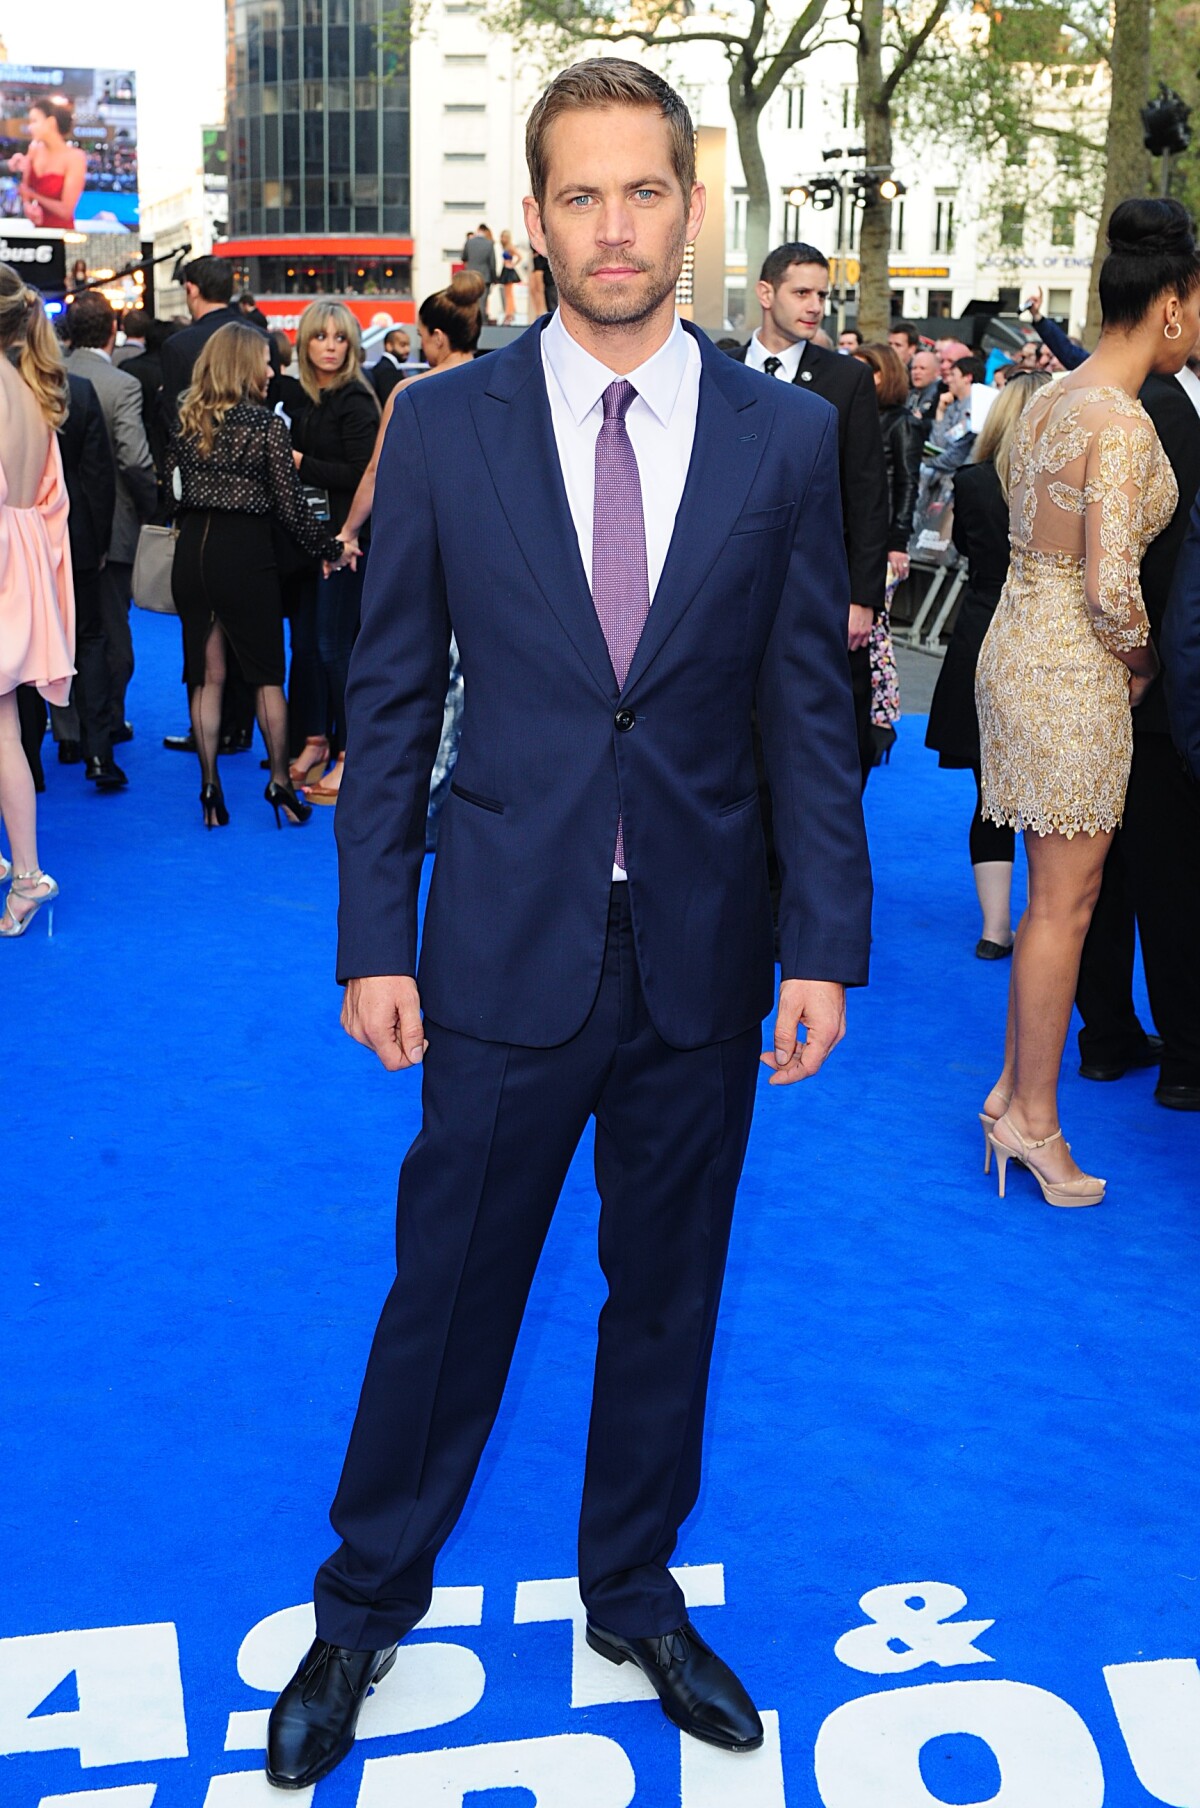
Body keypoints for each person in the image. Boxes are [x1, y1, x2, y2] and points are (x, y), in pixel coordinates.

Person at [264, 55, 871, 1792]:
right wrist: (373, 932)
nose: (615, 227)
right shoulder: (443, 424)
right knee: (446, 1293)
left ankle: (631, 1584)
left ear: (694, 207)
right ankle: (364, 1599)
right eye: (581, 195)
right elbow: (391, 700)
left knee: (666, 1290)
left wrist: (824, 937)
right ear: (536, 220)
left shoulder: (790, 436)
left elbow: (802, 719)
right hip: (498, 944)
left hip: (701, 942)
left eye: (646, 191)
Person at [975, 196, 1198, 1206]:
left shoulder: (1054, 397)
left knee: (1045, 899)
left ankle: (1012, 1092)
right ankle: (1034, 1120)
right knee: (1068, 905)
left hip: (1012, 650)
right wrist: (1147, 663)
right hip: (1072, 670)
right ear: (1170, 309)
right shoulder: (1122, 422)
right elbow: (1112, 589)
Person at [1074, 283, 1200, 1109]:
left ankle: (1106, 1037)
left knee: (1091, 874)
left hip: (1095, 671)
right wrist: (1149, 661)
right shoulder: (1158, 413)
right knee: (1165, 874)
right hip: (1149, 673)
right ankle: (1186, 1056)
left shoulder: (1085, 396)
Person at [166, 322, 342, 829]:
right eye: (264, 362)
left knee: (206, 675)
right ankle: (280, 785)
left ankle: (209, 788)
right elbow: (290, 508)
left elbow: (170, 492)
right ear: (245, 366)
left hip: (192, 557)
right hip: (245, 555)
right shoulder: (265, 426)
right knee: (266, 675)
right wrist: (330, 548)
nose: (271, 371)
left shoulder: (186, 419)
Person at [724, 243, 889, 784]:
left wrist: (863, 598)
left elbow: (866, 491)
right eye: (802, 292)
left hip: (817, 588)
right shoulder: (717, 369)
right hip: (728, 585)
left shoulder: (847, 380)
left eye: (822, 294)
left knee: (817, 744)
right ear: (766, 294)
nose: (816, 305)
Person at [338, 272, 487, 844]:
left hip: (431, 554)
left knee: (423, 682)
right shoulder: (506, 385)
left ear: (439, 337)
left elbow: (377, 473)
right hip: (492, 556)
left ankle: (423, 811)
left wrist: (348, 531)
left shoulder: (414, 394)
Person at [925, 371, 1051, 955]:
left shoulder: (973, 480)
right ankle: (1052, 922)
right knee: (1058, 795)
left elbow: (963, 550)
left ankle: (994, 929)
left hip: (980, 638)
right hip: (1048, 640)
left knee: (989, 792)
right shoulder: (1063, 483)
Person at [160, 258, 270, 758]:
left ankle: (209, 772)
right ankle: (245, 734)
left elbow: (170, 441)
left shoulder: (179, 346)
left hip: (198, 527)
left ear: (190, 289)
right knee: (259, 653)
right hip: (253, 531)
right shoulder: (258, 333)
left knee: (202, 658)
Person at [274, 302, 380, 801]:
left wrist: (298, 462)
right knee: (311, 648)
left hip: (346, 541)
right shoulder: (307, 397)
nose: (331, 347)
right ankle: (316, 739)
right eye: (322, 337)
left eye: (340, 338)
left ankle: (349, 753)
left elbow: (365, 475)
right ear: (306, 343)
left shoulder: (355, 399)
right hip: (312, 540)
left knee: (336, 648)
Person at [0, 263, 73, 937]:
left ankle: (25, 874)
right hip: (19, 568)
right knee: (6, 733)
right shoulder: (31, 392)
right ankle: (24, 873)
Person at [64, 292, 157, 781]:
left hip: (47, 527)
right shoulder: (121, 384)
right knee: (108, 633)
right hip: (111, 528)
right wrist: (151, 507)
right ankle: (106, 723)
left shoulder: (46, 377)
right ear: (112, 330)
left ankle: (67, 731)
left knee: (58, 629)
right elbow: (134, 459)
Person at [852, 341, 922, 764]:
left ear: (886, 375)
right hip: (863, 540)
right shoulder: (855, 417)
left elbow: (908, 484)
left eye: (868, 371)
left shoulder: (901, 423)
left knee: (875, 634)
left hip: (885, 547)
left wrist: (899, 542)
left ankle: (880, 718)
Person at [9, 98, 87, 231]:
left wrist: (34, 196)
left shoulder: (75, 157)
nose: (30, 127)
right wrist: (28, 206)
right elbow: (24, 189)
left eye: (34, 121)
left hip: (62, 234)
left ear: (51, 123)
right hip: (36, 233)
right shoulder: (33, 150)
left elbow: (66, 211)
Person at [369, 327, 411, 404]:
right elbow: (390, 404)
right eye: (402, 345)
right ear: (389, 346)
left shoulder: (387, 368)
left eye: (408, 345)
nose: (407, 349)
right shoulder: (388, 371)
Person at [907, 346, 942, 424]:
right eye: (914, 368)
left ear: (937, 372)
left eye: (922, 368)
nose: (916, 372)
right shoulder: (909, 394)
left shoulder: (938, 395)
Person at [498, 229, 523, 321]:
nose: (502, 239)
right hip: (505, 269)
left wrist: (513, 264)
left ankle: (509, 313)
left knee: (509, 293)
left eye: (504, 237)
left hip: (509, 270)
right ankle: (509, 312)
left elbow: (520, 256)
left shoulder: (510, 247)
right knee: (507, 293)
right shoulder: (505, 247)